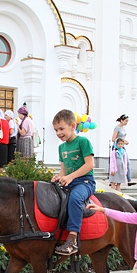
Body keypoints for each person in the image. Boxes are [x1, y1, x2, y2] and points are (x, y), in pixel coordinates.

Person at [51, 109, 96, 256]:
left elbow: (90, 164)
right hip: (69, 181)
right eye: (56, 130)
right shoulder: (61, 147)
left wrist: (71, 177)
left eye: (61, 129)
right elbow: (63, 169)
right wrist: (60, 177)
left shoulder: (83, 142)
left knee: (75, 198)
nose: (58, 133)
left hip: (85, 182)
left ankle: (72, 239)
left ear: (72, 126)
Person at [111, 114, 136, 186]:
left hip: (122, 147)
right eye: (126, 121)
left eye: (127, 121)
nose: (126, 122)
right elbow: (113, 139)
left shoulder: (123, 128)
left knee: (127, 162)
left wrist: (125, 142)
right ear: (121, 120)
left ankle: (129, 179)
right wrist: (122, 142)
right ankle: (113, 180)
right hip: (117, 147)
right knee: (116, 164)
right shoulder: (117, 128)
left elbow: (122, 138)